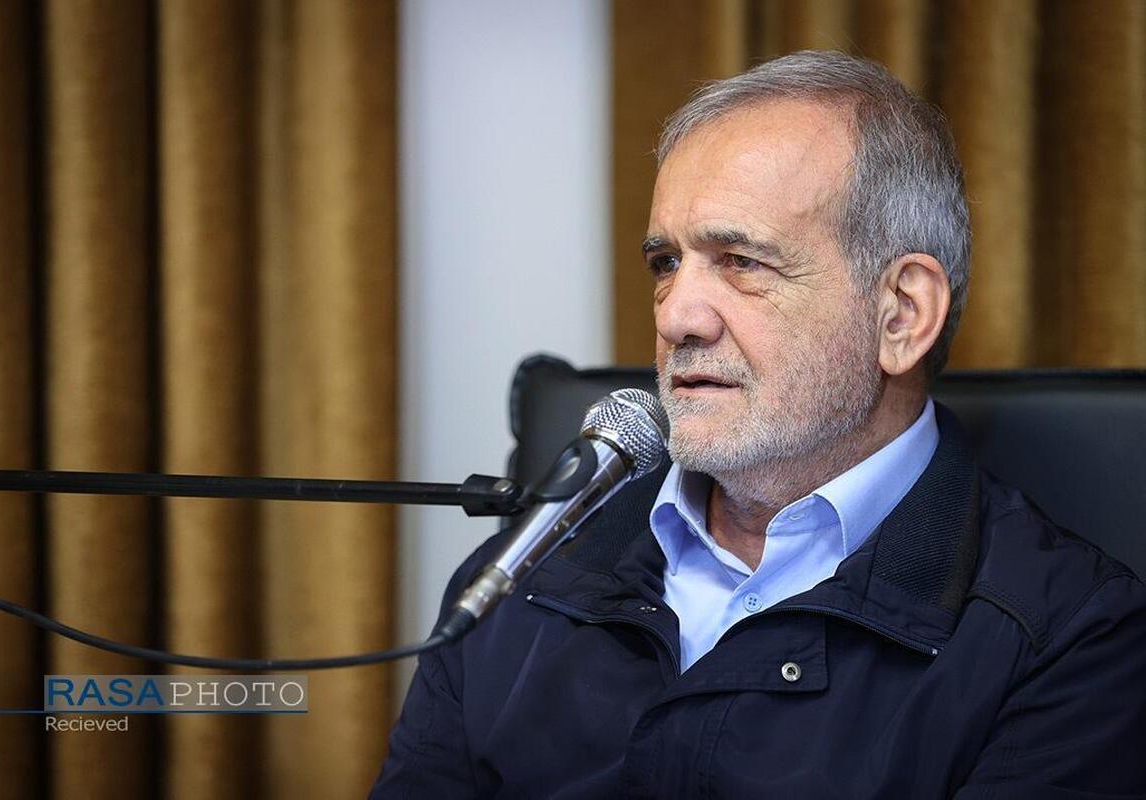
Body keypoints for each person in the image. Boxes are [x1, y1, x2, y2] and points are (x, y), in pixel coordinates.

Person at [372, 51, 1146, 798]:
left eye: (741, 261)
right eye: (665, 263)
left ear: (902, 314)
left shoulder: (1077, 639)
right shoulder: (519, 579)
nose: (676, 316)